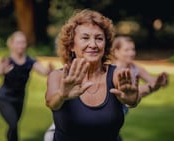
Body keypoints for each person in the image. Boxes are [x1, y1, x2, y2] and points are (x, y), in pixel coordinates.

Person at [45, 9, 142, 141]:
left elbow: (132, 99)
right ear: (72, 45)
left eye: (99, 38)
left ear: (105, 44)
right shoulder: (57, 76)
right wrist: (61, 95)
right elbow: (51, 102)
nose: (93, 44)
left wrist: (132, 100)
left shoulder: (116, 74)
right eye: (85, 38)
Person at [0, 31, 53, 141]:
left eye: (23, 42)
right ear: (11, 44)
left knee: (15, 126)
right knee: (13, 125)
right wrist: (3, 69)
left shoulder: (30, 61)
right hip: (5, 98)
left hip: (20, 98)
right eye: (18, 42)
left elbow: (43, 71)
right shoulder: (7, 60)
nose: (21, 45)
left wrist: (49, 70)